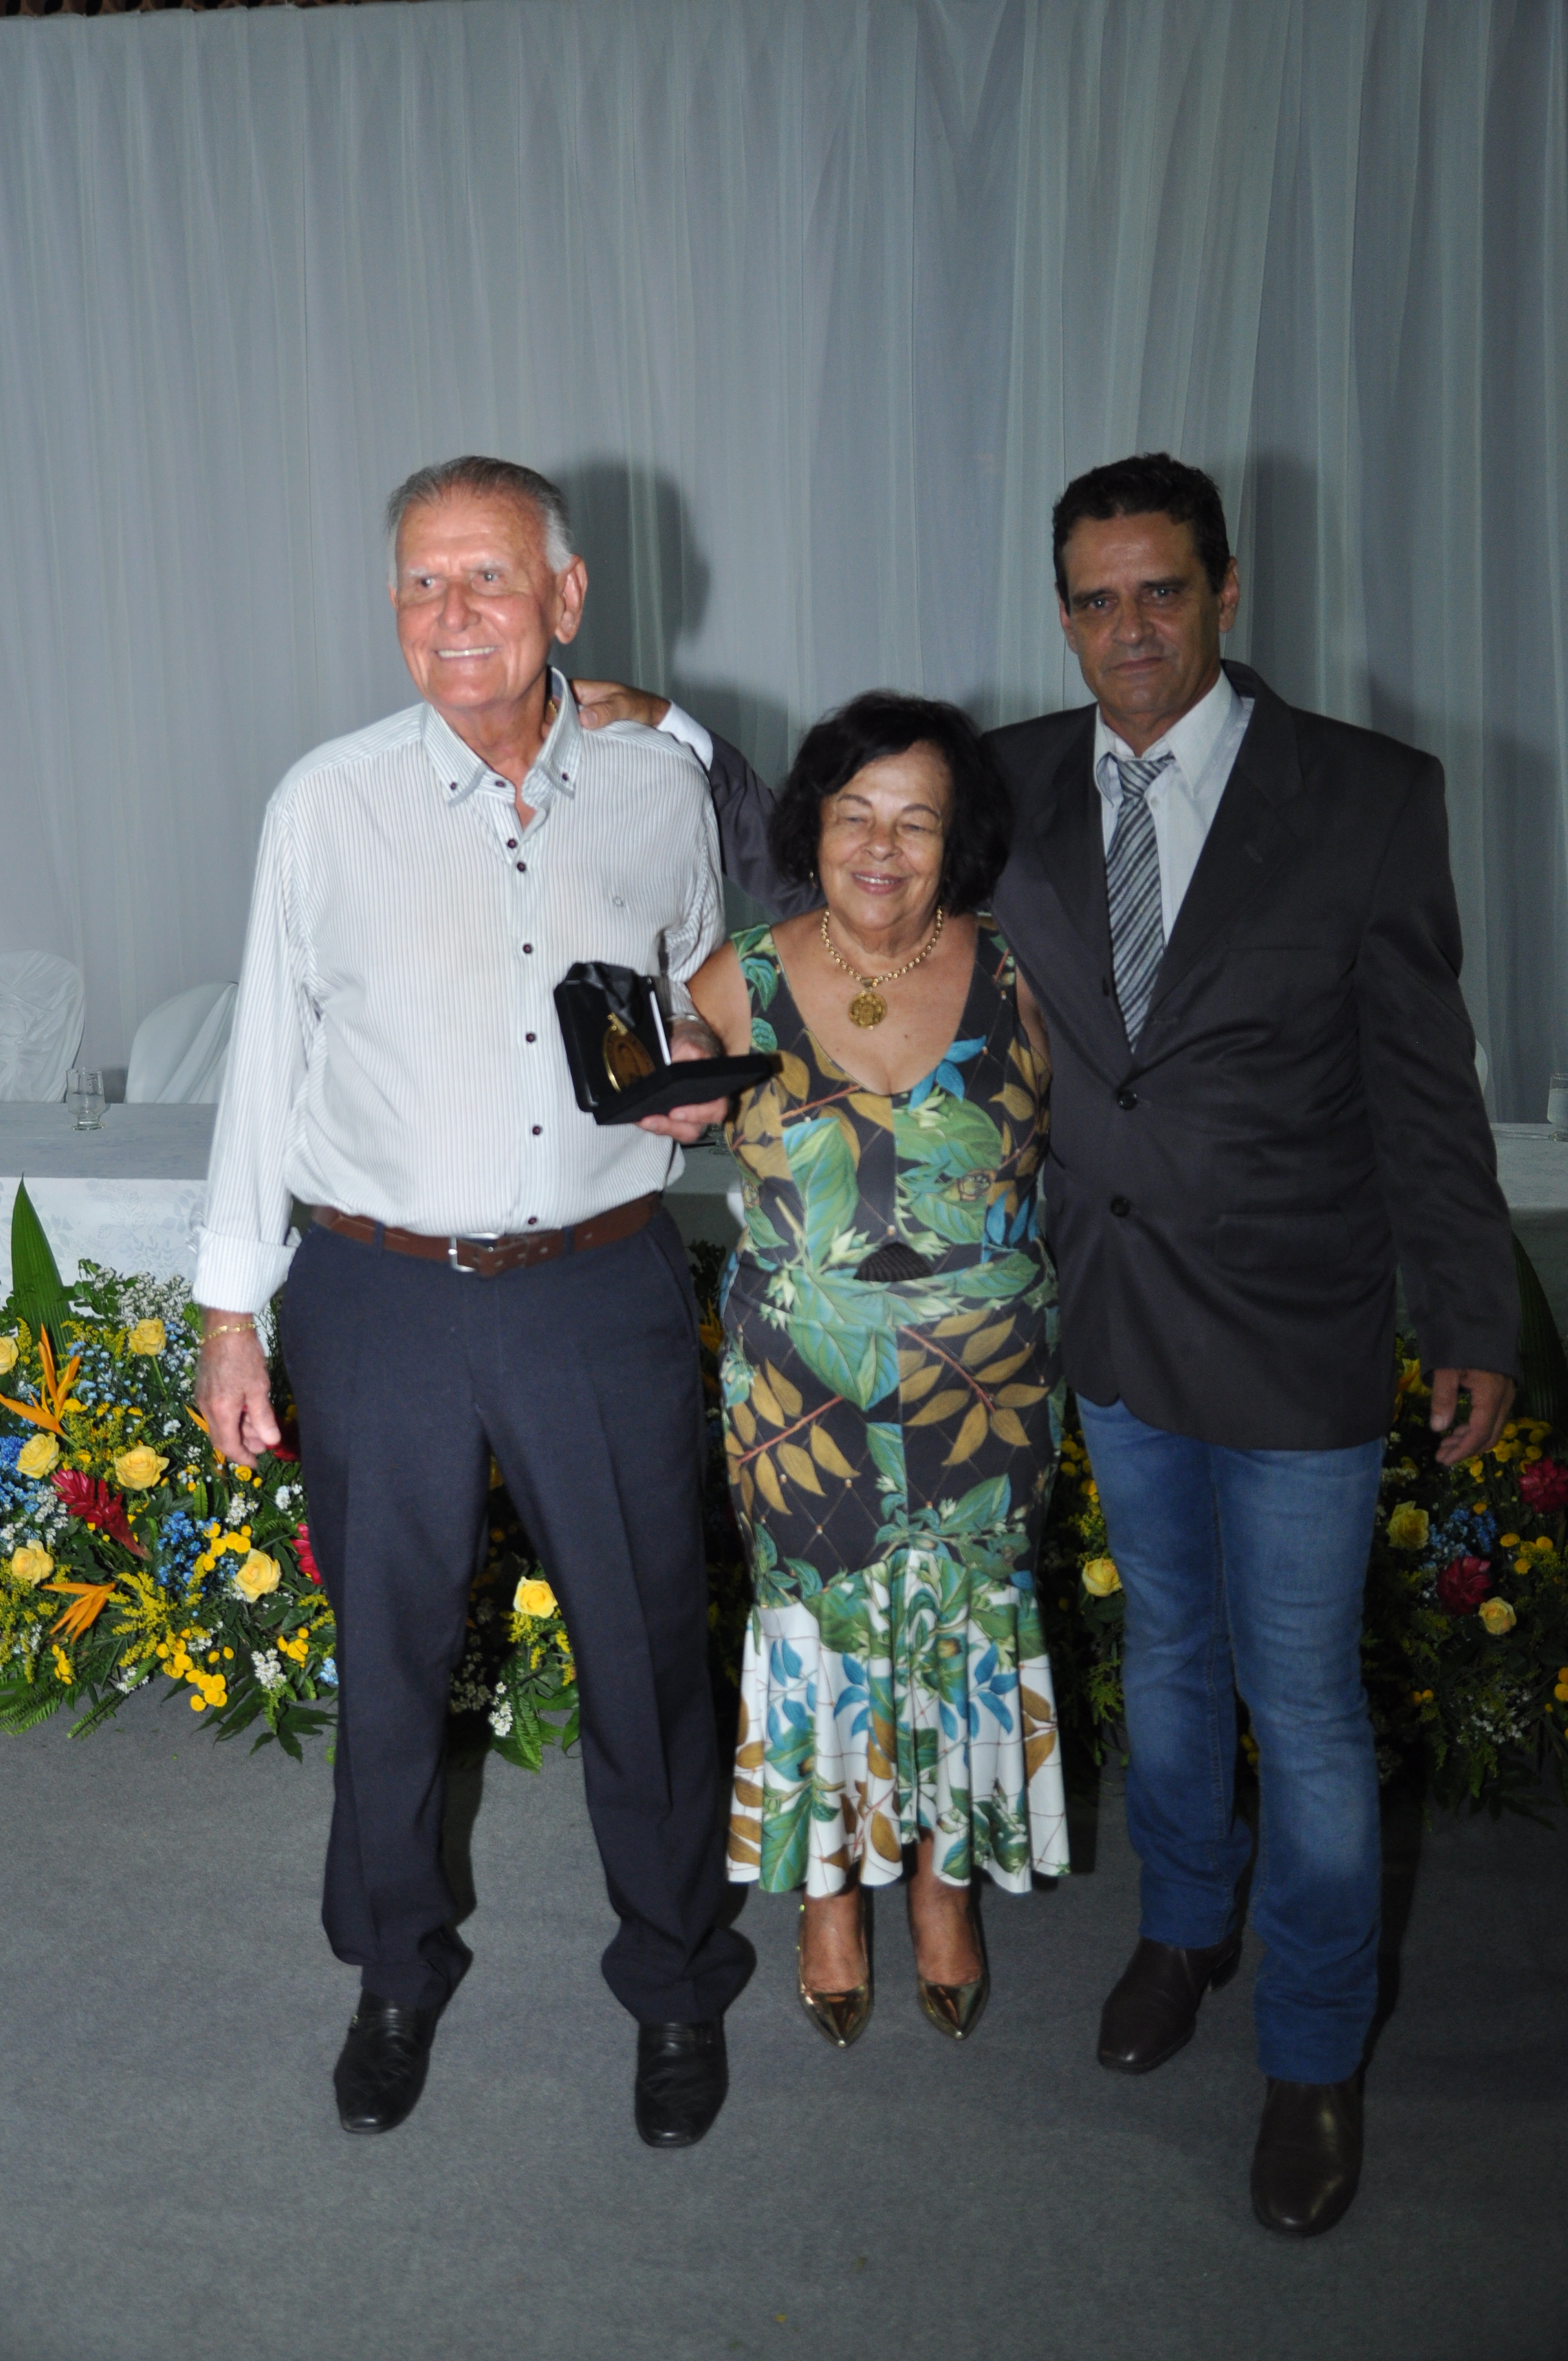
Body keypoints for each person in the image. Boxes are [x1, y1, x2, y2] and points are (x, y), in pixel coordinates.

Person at [573, 451, 1518, 2233]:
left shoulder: (1367, 795)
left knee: (1306, 1706)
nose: (1130, 627)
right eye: (1096, 598)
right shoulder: (1014, 778)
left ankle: (1314, 2055)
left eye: (1161, 590)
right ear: (1065, 615)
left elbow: (1421, 1076)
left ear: (1226, 591)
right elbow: (834, 837)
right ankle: (1181, 1938)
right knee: (1169, 1658)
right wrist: (662, 731)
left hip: (1296, 1319)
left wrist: (1468, 1305)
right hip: (1104, 1329)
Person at [194, 454, 750, 2148]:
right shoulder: (326, 804)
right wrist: (230, 1314)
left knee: (649, 1651)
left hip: (599, 1288)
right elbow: (262, 1063)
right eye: (422, 584)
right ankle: (393, 1973)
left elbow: (705, 986)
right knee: (391, 1662)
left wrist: (695, 1076)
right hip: (381, 1295)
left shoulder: (660, 789)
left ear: (566, 598)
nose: (452, 616)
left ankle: (675, 1982)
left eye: (489, 578)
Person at [680, 692, 1069, 2049]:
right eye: (856, 815)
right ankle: (829, 1895)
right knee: (819, 1636)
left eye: (917, 820)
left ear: (958, 839)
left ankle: (945, 1887)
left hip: (987, 1385)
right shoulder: (737, 979)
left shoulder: (1021, 967)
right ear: (814, 825)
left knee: (965, 1628)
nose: (882, 848)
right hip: (801, 1389)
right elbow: (631, 1114)